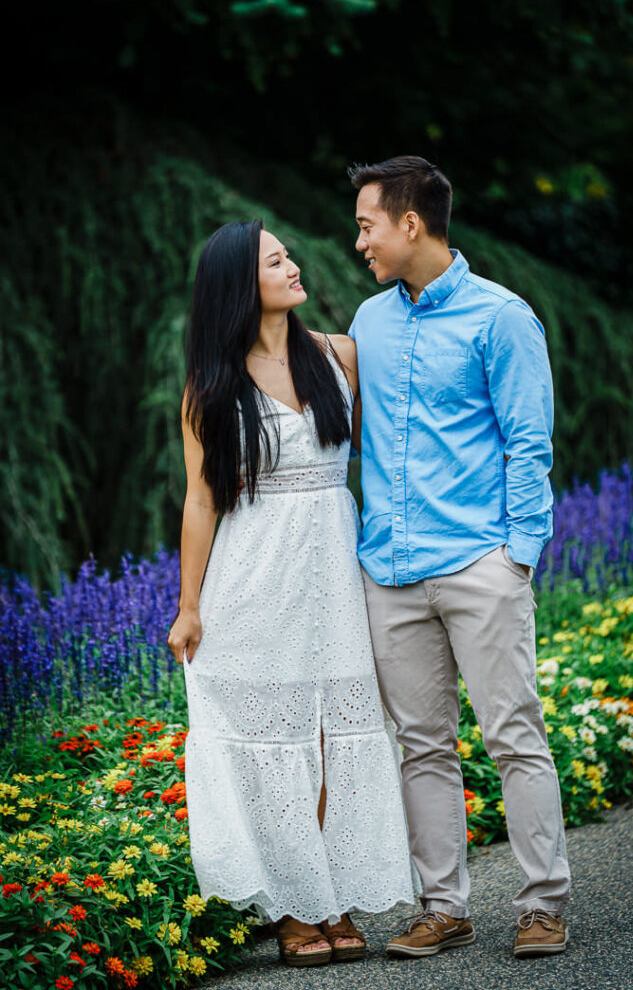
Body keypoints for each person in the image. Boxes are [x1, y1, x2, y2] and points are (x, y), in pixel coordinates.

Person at [166, 219, 415, 968]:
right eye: (276, 261)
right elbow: (201, 501)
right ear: (242, 285)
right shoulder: (211, 387)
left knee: (334, 739)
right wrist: (188, 605)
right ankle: (295, 909)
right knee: (271, 742)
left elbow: (384, 460)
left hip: (338, 575)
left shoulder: (337, 356)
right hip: (255, 578)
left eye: (288, 255)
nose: (294, 266)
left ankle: (333, 894)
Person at [347, 156, 571, 959]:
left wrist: (517, 556)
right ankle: (444, 907)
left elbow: (527, 444)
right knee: (422, 744)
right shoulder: (368, 321)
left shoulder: (500, 317)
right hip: (391, 572)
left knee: (514, 734)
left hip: (479, 561)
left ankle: (542, 903)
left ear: (412, 223)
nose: (360, 240)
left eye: (368, 223)